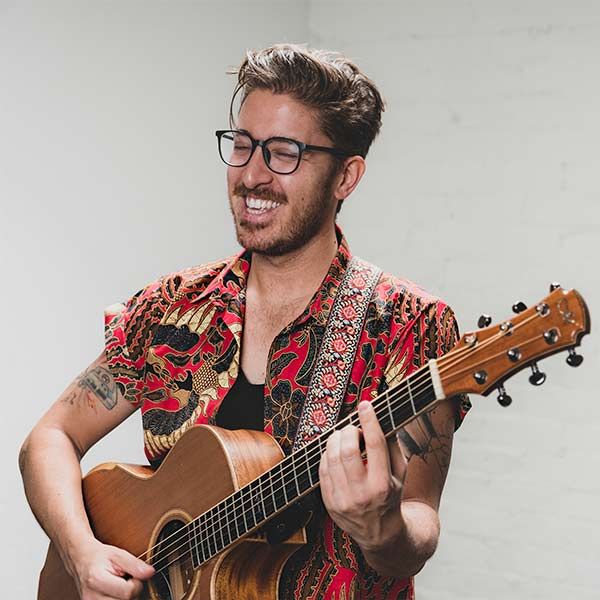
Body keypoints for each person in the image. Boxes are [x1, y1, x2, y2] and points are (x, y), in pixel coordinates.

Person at [20, 44, 470, 599]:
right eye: (242, 146)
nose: (252, 175)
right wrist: (80, 552)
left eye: (284, 152)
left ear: (346, 176)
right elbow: (49, 437)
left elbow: (420, 518)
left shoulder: (409, 324)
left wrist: (385, 529)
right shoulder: (171, 307)